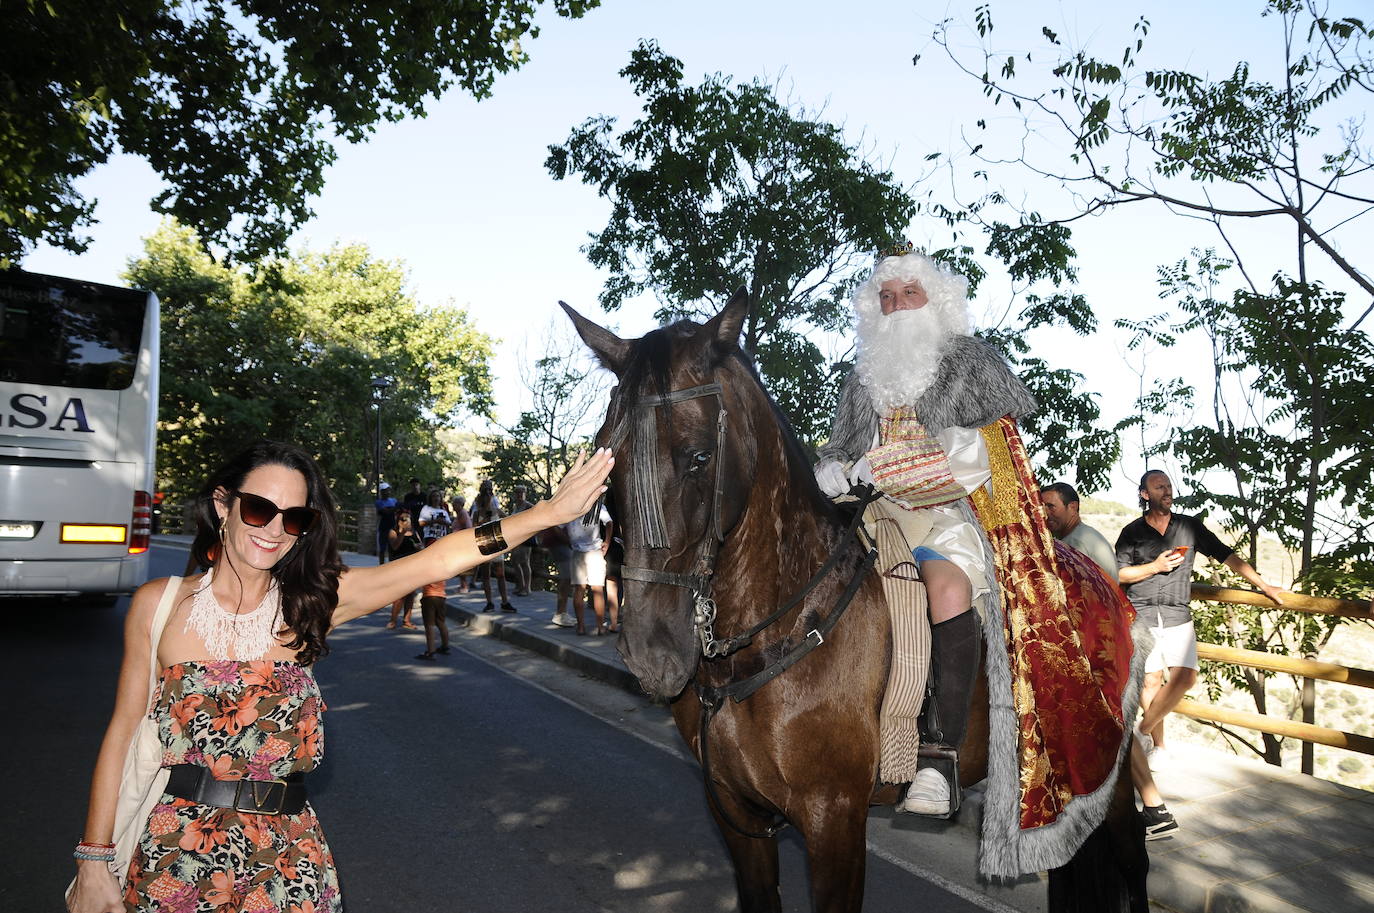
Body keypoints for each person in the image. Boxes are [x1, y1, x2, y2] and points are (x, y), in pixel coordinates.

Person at [66, 440, 612, 913]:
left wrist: (545, 514)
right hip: (174, 854)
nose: (274, 529)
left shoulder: (314, 604)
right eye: (258, 509)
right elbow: (121, 734)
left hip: (288, 861)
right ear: (223, 505)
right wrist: (94, 860)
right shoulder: (158, 606)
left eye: (294, 518)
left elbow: (440, 560)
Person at [814, 247, 1135, 833]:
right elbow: (842, 448)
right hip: (869, 516)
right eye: (885, 298)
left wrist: (882, 468)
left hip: (945, 513)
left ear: (934, 300)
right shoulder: (862, 379)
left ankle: (940, 757)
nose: (895, 307)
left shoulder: (970, 363)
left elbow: (974, 460)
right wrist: (832, 468)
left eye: (907, 294)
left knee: (947, 591)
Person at [1115, 470, 1285, 775]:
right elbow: (1119, 574)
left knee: (1186, 678)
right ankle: (1160, 748)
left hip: (1178, 614)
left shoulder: (1189, 527)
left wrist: (1264, 586)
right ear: (1145, 494)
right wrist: (1155, 566)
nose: (1167, 491)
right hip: (1141, 613)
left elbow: (1226, 555)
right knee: (1151, 681)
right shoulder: (1131, 532)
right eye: (1159, 487)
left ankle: (1141, 730)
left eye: (1168, 486)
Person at [1040, 482, 1118, 580]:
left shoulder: (1075, 543)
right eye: (1042, 507)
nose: (1044, 513)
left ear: (1072, 507)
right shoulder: (1086, 534)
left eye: (1051, 506)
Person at [565, 503, 613, 635]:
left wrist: (568, 540)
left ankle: (582, 627)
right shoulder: (597, 506)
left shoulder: (571, 506)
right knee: (596, 590)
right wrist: (607, 541)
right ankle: (598, 627)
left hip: (583, 551)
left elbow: (558, 526)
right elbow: (609, 522)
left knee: (580, 589)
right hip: (593, 551)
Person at [470, 480, 515, 613]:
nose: (488, 496)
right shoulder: (477, 513)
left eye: (490, 494)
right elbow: (473, 529)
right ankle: (489, 602)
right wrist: (483, 522)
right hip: (484, 545)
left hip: (497, 544)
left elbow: (509, 522)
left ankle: (505, 601)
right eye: (485, 494)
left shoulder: (497, 511)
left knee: (501, 575)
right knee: (486, 576)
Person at [414, 542, 453, 662]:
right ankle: (445, 646)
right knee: (441, 622)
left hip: (429, 596)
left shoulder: (426, 564)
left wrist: (420, 551)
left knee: (429, 625)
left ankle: (431, 651)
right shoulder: (442, 565)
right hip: (441, 596)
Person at [386, 511, 423, 630]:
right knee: (399, 595)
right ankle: (393, 620)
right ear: (398, 520)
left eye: (407, 519)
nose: (405, 521)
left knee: (410, 594)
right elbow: (395, 546)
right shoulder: (393, 532)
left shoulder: (414, 532)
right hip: (398, 566)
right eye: (402, 519)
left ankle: (407, 620)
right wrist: (402, 532)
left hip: (412, 566)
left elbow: (420, 545)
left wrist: (419, 548)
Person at [506, 484, 535, 596]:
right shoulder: (516, 506)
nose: (519, 495)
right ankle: (520, 585)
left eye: (521, 492)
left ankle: (527, 588)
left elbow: (536, 516)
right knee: (514, 561)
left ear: (525, 494)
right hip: (516, 538)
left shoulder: (528, 506)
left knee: (524, 562)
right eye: (517, 492)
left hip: (525, 538)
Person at [374, 481, 399, 563]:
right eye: (385, 490)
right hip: (383, 527)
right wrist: (394, 508)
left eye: (388, 490)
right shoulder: (378, 502)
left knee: (392, 547)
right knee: (382, 548)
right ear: (381, 492)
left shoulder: (394, 500)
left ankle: (391, 564)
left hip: (393, 526)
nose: (387, 492)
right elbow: (385, 512)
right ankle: (381, 565)